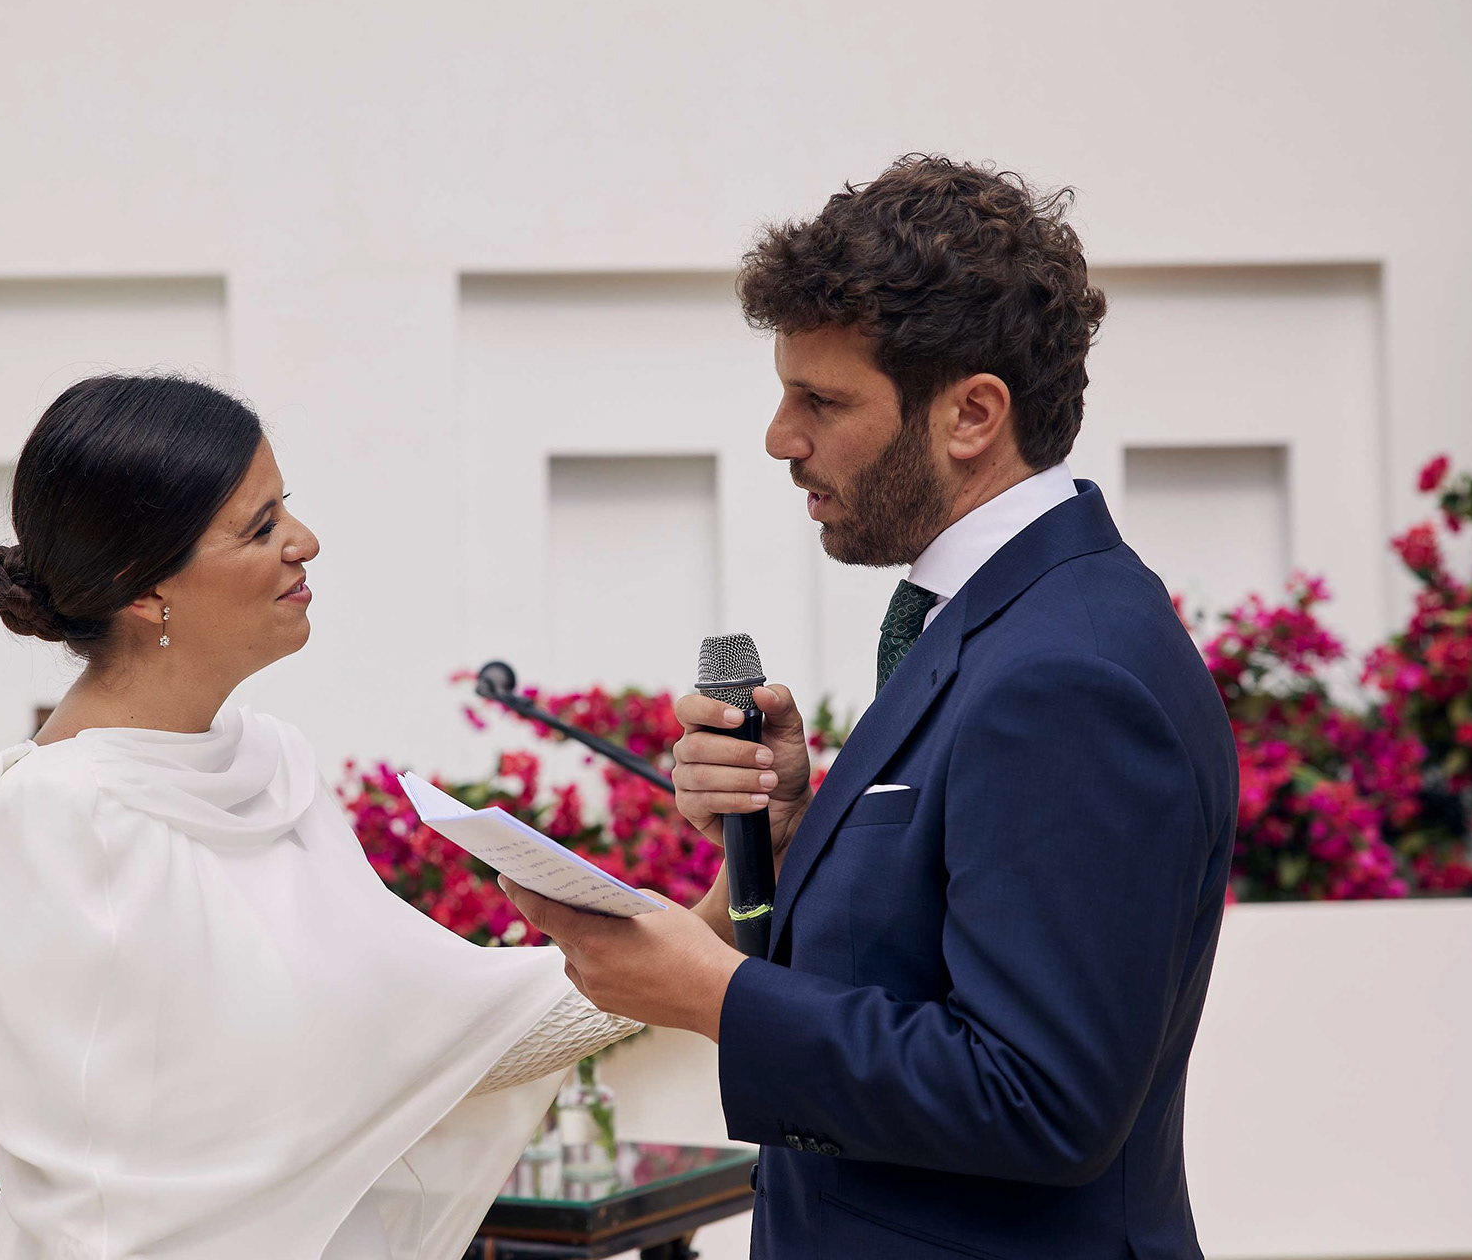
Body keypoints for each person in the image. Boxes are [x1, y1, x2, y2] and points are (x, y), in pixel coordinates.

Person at [498, 155, 1239, 1258]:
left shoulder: (1068, 672)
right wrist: (801, 833)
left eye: (823, 401)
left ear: (972, 413)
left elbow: (1041, 1097)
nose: (779, 437)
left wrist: (717, 996)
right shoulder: (1005, 615)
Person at [0, 374, 638, 1260]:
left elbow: (437, 1027)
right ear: (141, 586)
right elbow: (94, 1183)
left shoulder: (272, 766)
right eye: (260, 526)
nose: (305, 543)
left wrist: (715, 926)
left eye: (287, 509)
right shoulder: (57, 815)